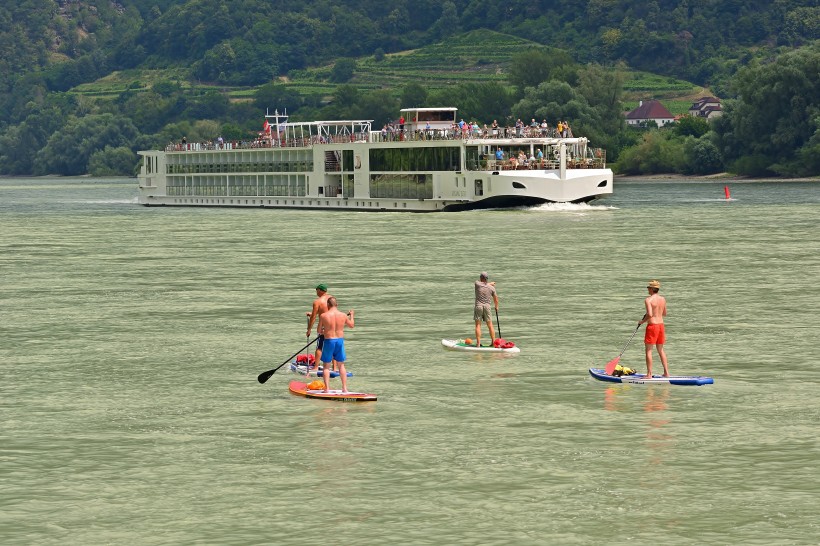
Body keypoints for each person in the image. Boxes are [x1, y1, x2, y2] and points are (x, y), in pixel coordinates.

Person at [317, 296, 354, 392]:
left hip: (329, 341)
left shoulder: (323, 316)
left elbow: (319, 330)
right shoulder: (343, 315)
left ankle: (327, 389)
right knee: (341, 365)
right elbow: (351, 325)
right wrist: (352, 315)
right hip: (339, 341)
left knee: (326, 366)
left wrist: (325, 330)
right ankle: (345, 388)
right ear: (337, 305)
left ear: (328, 305)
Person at [638, 280, 670, 377]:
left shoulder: (648, 300)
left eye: (648, 288)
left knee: (648, 350)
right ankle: (666, 373)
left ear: (652, 289)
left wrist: (642, 321)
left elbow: (650, 314)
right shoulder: (663, 299)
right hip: (661, 325)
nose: (647, 289)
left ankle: (649, 374)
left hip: (652, 327)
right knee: (660, 350)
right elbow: (664, 313)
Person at [306, 283, 331, 370]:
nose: (316, 292)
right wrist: (313, 313)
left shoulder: (317, 302)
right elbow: (328, 311)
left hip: (323, 328)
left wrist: (309, 329)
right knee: (332, 346)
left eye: (316, 290)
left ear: (320, 290)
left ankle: (316, 367)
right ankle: (335, 368)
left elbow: (313, 317)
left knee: (319, 346)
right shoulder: (332, 299)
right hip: (333, 326)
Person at [473, 272, 498, 347]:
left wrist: (490, 283)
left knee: (478, 325)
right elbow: (496, 299)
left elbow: (482, 284)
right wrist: (496, 306)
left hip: (479, 306)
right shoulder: (492, 288)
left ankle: (478, 344)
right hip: (487, 307)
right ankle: (493, 342)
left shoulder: (477, 284)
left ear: (481, 278)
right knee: (490, 325)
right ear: (487, 279)